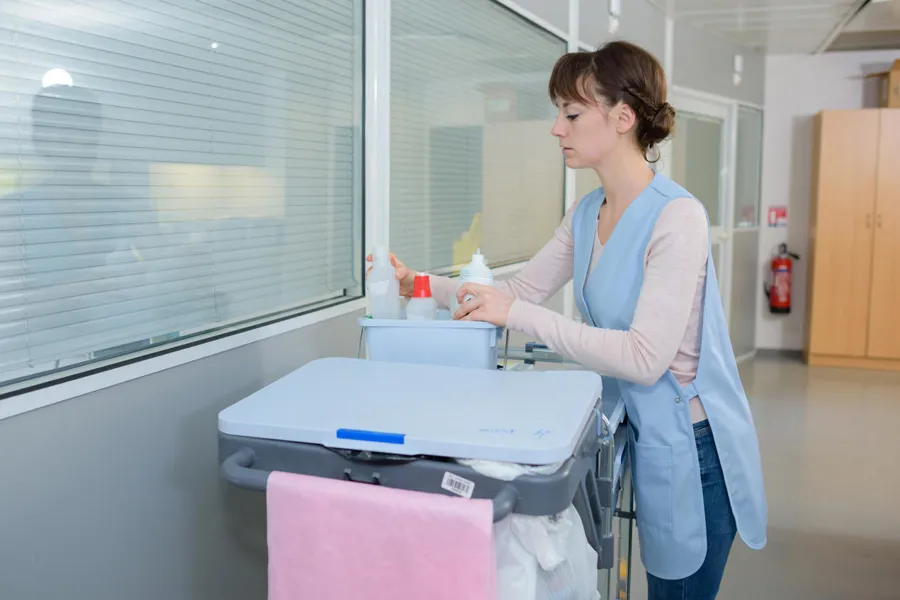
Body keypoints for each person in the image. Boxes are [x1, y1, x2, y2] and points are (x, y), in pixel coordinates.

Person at [367, 40, 767, 599]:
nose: (557, 128)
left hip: (691, 448)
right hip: (640, 431)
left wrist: (521, 314)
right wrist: (424, 286)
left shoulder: (679, 218)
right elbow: (516, 291)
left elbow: (644, 358)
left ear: (623, 118)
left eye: (571, 113)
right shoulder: (587, 213)